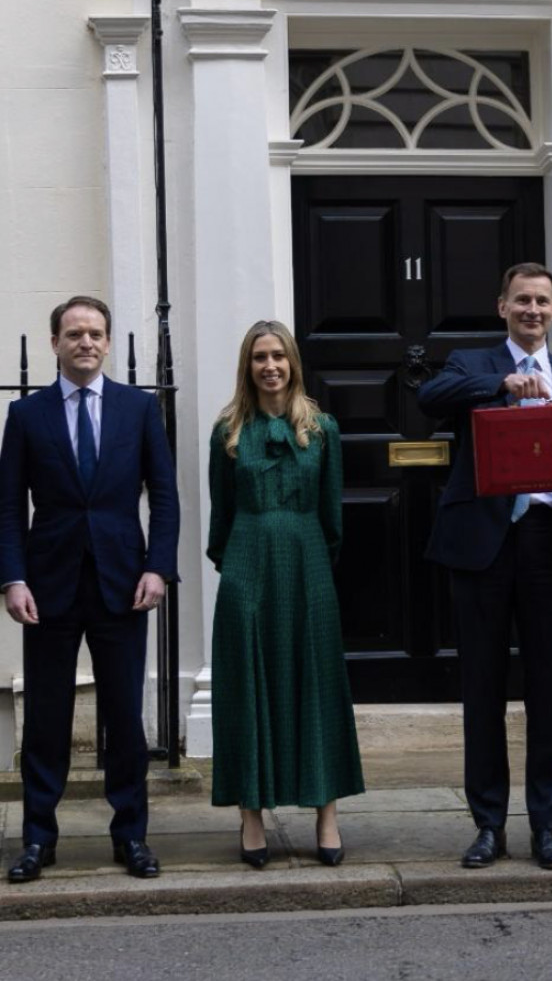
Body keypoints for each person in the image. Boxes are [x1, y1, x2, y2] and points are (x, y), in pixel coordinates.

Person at [417, 263, 552, 871]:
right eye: (522, 300)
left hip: (551, 545)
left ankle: (546, 827)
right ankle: (489, 825)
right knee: (483, 693)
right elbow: (429, 400)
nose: (533, 310)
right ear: (502, 306)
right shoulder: (471, 366)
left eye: (543, 302)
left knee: (549, 696)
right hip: (483, 546)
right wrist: (502, 387)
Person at [0, 296, 180, 883]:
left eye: (95, 333)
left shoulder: (137, 409)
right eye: (74, 333)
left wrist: (158, 567)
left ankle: (130, 835)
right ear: (54, 343)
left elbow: (165, 494)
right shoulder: (27, 416)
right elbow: (7, 507)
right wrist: (12, 578)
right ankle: (37, 839)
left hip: (123, 583)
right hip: (47, 587)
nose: (86, 342)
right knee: (47, 718)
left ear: (107, 343)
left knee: (125, 717)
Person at [208, 320, 364, 869]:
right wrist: (239, 566)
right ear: (247, 367)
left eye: (278, 356)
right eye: (259, 358)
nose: (269, 366)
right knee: (249, 683)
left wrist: (311, 561)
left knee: (315, 683)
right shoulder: (228, 431)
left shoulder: (323, 429)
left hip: (308, 563)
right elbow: (220, 517)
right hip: (247, 562)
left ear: (293, 362)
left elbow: (332, 517)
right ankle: (251, 815)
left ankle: (326, 813)